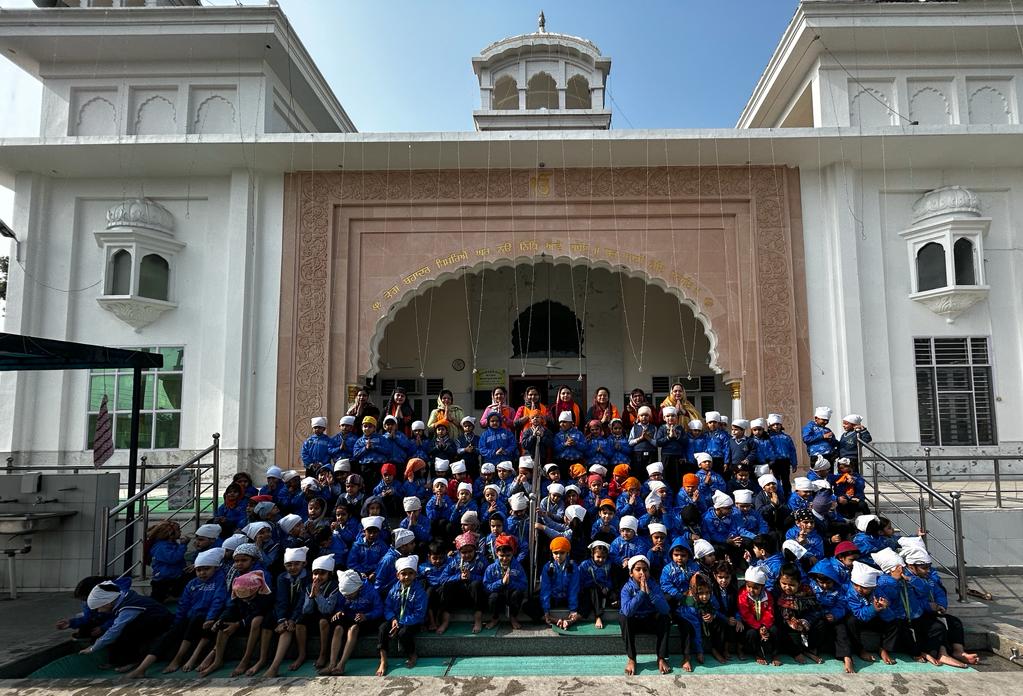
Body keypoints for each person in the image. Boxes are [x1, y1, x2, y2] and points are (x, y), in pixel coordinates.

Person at [126, 548, 227, 678]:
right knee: (170, 634)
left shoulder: (219, 581)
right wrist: (177, 622)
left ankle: (178, 659)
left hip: (206, 619)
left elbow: (217, 601)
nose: (202, 573)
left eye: (206, 569)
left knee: (195, 621)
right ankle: (142, 667)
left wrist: (210, 617)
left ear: (215, 568)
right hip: (191, 618)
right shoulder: (192, 584)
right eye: (199, 570)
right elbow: (183, 605)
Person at [77, 581, 174, 673]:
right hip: (149, 619)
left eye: (99, 607)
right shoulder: (120, 596)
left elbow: (115, 630)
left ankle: (133, 661)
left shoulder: (128, 607)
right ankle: (116, 661)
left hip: (162, 621)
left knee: (125, 632)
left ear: (108, 603)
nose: (99, 611)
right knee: (115, 630)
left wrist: (93, 648)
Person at [198, 571, 275, 677]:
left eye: (248, 597)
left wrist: (238, 624)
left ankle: (246, 659)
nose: (245, 600)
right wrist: (221, 619)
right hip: (241, 623)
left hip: (257, 625)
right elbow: (231, 608)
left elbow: (258, 612)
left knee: (257, 620)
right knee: (223, 623)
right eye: (242, 598)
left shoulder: (266, 596)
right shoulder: (239, 594)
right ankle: (217, 661)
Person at [619, 555, 673, 675]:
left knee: (664, 617)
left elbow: (665, 609)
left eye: (645, 569)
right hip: (634, 622)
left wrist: (650, 593)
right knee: (624, 617)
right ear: (631, 573)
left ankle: (661, 657)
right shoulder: (627, 588)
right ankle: (632, 658)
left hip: (650, 620)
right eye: (638, 569)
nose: (642, 573)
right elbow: (627, 611)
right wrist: (641, 594)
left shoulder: (653, 586)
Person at [263, 547, 312, 677]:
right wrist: (282, 619)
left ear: (304, 564)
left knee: (293, 626)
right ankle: (263, 660)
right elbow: (281, 600)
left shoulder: (308, 577)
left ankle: (296, 658)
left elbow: (303, 600)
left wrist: (293, 619)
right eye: (289, 565)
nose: (292, 567)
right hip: (286, 611)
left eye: (296, 564)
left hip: (303, 610)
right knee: (271, 623)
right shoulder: (282, 577)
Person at [376, 555, 427, 675]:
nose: (407, 577)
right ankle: (383, 660)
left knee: (403, 633)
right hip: (396, 620)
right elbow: (388, 607)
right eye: (403, 574)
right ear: (397, 575)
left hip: (412, 621)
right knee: (383, 628)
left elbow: (419, 613)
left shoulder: (419, 591)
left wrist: (401, 622)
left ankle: (412, 653)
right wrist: (393, 619)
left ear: (415, 575)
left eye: (410, 573)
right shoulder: (394, 589)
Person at [325, 569, 383, 675]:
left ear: (359, 588)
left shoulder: (371, 591)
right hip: (349, 616)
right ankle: (332, 664)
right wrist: (339, 611)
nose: (347, 597)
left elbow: (379, 609)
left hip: (366, 619)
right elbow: (340, 605)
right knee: (338, 628)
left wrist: (366, 616)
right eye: (345, 596)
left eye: (350, 595)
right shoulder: (344, 592)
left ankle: (341, 664)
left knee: (353, 629)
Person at [436, 532, 487, 634]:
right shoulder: (454, 561)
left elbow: (488, 579)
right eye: (464, 552)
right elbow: (442, 579)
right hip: (459, 596)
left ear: (475, 549)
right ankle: (445, 621)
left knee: (475, 584)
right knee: (448, 586)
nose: (467, 555)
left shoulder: (482, 560)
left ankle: (478, 620)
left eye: (470, 551)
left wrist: (472, 577)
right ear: (459, 552)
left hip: (476, 596)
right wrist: (459, 577)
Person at [775, 563, 826, 664]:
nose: (787, 587)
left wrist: (806, 621)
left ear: (799, 583)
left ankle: (810, 650)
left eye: (792, 585)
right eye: (784, 584)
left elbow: (816, 610)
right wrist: (792, 622)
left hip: (805, 623)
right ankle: (797, 652)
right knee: (777, 627)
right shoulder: (776, 591)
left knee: (821, 623)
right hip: (787, 625)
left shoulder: (806, 591)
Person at [738, 565, 780, 666]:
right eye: (749, 587)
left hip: (764, 624)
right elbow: (746, 614)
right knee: (751, 633)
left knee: (775, 630)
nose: (751, 590)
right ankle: (758, 654)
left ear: (762, 587)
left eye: (756, 588)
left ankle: (775, 654)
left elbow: (769, 612)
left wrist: (764, 626)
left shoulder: (767, 596)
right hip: (750, 623)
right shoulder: (743, 595)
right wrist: (759, 627)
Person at [483, 534, 528, 629]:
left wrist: (510, 583)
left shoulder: (518, 567)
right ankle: (495, 618)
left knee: (517, 594)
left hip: (511, 596)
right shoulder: (491, 568)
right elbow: (486, 586)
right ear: (496, 554)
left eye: (508, 555)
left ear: (513, 554)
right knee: (493, 597)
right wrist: (501, 582)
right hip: (499, 596)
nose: (504, 559)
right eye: (501, 556)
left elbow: (524, 585)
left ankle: (513, 617)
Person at [540, 537, 581, 629]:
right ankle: (552, 619)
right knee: (529, 605)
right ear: (552, 553)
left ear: (567, 553)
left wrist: (573, 609)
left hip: (567, 598)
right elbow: (545, 589)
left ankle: (571, 620)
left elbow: (573, 588)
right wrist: (546, 610)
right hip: (554, 598)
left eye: (562, 553)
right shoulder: (547, 567)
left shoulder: (573, 566)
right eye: (556, 553)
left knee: (586, 600)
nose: (558, 556)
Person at [147, 520, 188, 602]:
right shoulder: (161, 547)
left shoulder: (171, 544)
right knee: (157, 600)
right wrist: (183, 545)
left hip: (172, 576)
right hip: (163, 579)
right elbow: (173, 558)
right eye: (178, 530)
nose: (180, 531)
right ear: (170, 533)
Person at [766, 413, 798, 497]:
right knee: (775, 480)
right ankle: (777, 495)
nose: (776, 426)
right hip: (774, 462)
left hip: (785, 461)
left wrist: (794, 463)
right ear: (770, 426)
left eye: (778, 424)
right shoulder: (768, 437)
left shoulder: (786, 437)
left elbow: (792, 450)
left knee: (786, 479)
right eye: (773, 425)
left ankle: (788, 495)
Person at [627, 406, 658, 471]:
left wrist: (648, 438)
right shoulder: (634, 427)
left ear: (650, 417)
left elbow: (656, 443)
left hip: (651, 454)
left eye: (646, 415)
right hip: (637, 454)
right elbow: (630, 443)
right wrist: (640, 438)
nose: (644, 417)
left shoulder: (653, 428)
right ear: (638, 417)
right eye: (642, 415)